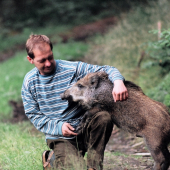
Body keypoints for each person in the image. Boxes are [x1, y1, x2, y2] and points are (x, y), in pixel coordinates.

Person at [21, 34, 128, 170]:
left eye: (50, 57)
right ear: (30, 59)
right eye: (42, 60)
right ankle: (52, 160)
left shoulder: (72, 68)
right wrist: (59, 127)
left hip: (84, 126)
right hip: (59, 137)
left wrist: (118, 82)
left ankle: (94, 167)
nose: (48, 63)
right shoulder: (29, 82)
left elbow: (107, 70)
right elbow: (33, 114)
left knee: (104, 117)